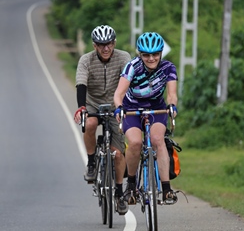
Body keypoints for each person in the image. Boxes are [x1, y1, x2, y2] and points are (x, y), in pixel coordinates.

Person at [113, 32, 178, 205]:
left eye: (155, 54)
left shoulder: (168, 68)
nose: (151, 58)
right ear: (140, 54)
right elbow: (118, 93)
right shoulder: (132, 67)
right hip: (132, 108)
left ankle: (166, 189)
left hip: (156, 109)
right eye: (146, 55)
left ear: (161, 53)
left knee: (158, 140)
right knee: (134, 143)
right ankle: (131, 185)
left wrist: (172, 106)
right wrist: (119, 108)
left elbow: (172, 94)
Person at [74, 25, 131, 215]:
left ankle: (119, 194)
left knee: (117, 153)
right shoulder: (86, 60)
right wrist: (82, 108)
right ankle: (91, 163)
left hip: (116, 106)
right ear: (94, 45)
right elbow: (81, 83)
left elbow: (129, 83)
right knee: (89, 123)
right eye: (101, 45)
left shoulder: (124, 58)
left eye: (109, 44)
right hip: (93, 104)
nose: (105, 48)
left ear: (114, 43)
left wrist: (126, 107)